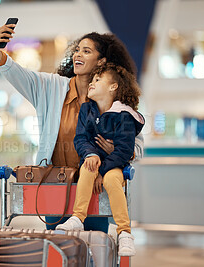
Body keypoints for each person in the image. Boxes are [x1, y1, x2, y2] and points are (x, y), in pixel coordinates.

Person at [0, 24, 144, 232]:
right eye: (77, 50)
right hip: (56, 186)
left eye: (86, 51)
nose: (78, 54)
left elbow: (137, 149)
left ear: (102, 61)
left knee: (93, 250)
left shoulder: (114, 98)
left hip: (95, 187)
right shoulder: (51, 88)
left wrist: (117, 151)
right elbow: (21, 75)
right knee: (58, 252)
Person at [55, 63, 144, 256]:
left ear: (113, 87)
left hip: (114, 165)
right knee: (87, 168)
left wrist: (102, 171)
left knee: (112, 180)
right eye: (92, 79)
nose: (92, 83)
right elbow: (80, 138)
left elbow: (124, 150)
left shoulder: (124, 116)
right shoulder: (87, 110)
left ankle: (125, 232)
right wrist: (91, 154)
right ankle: (77, 218)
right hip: (93, 162)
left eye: (98, 80)